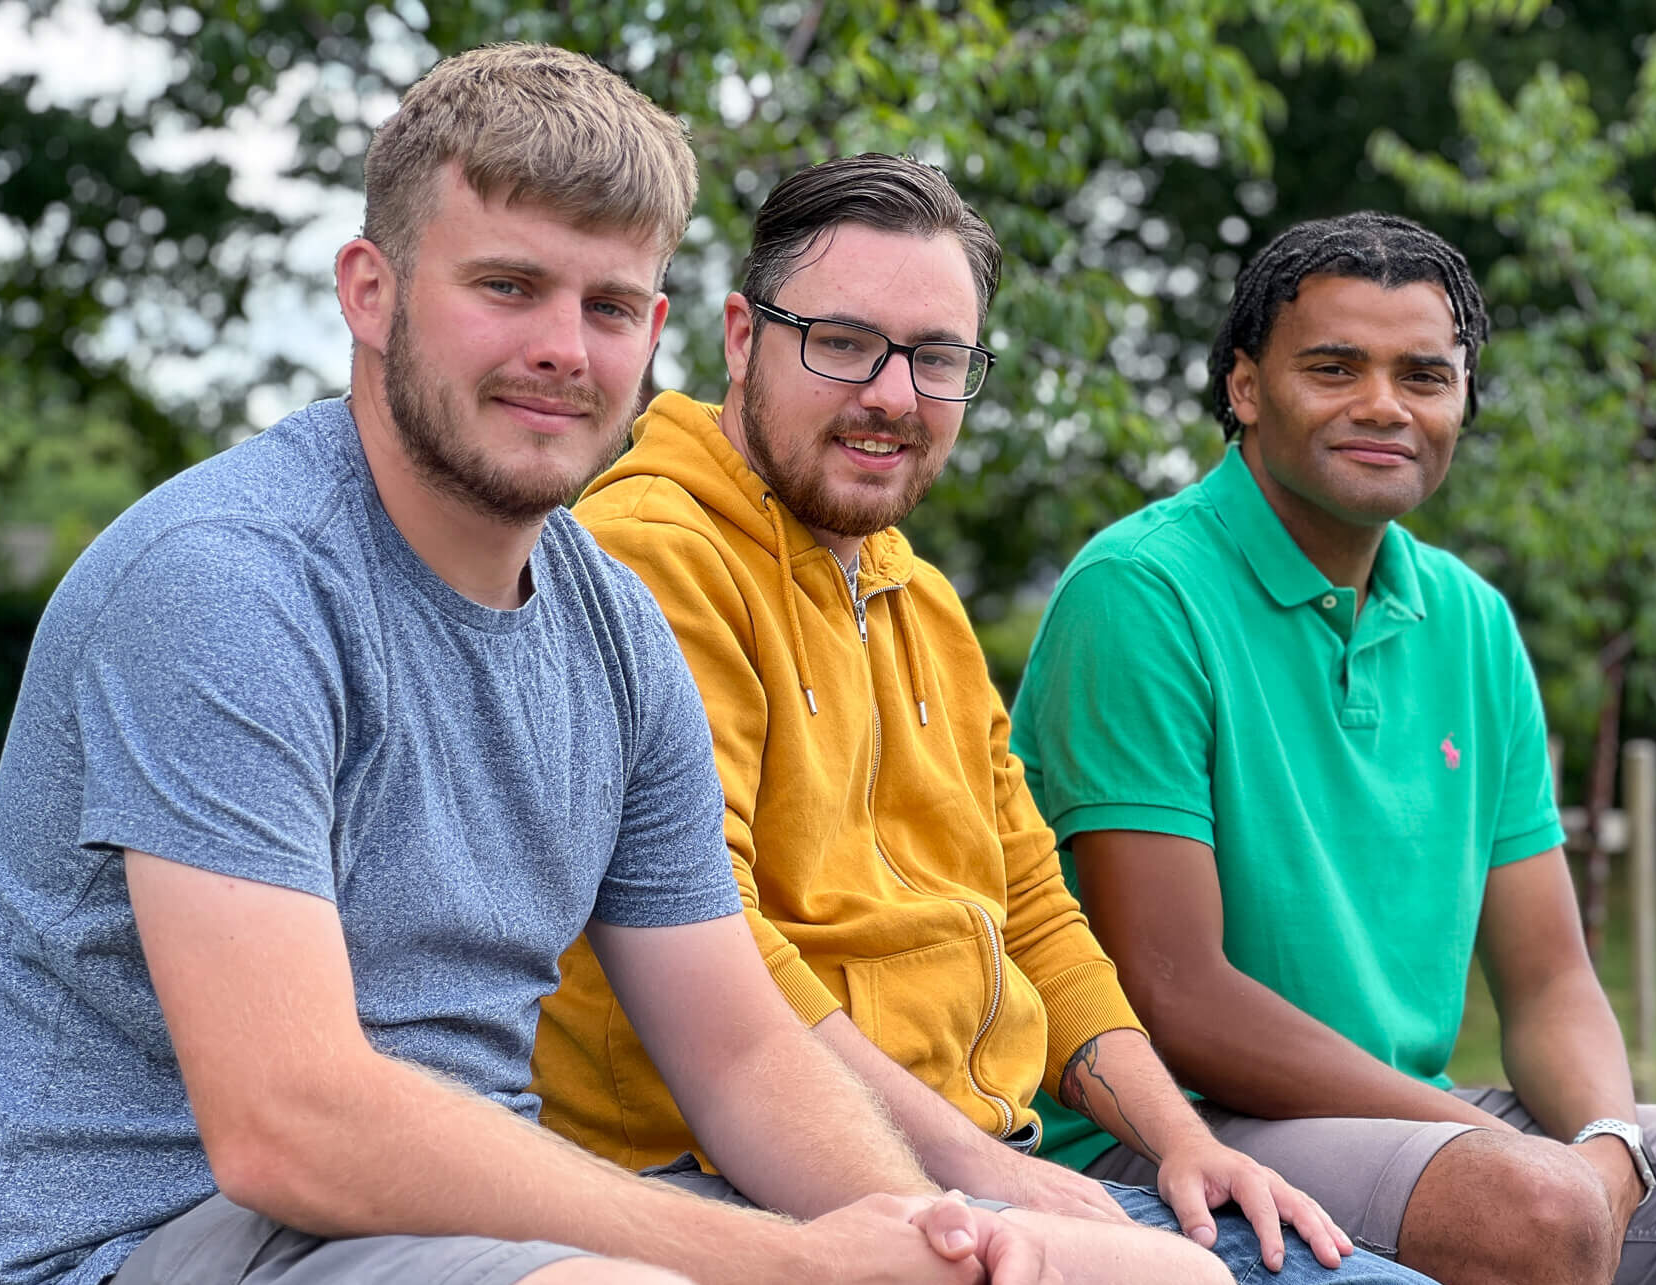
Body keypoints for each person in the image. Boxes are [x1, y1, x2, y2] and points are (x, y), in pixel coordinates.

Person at [0, 45, 1059, 1285]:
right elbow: (289, 1126)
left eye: (609, 306)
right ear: (370, 291)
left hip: (467, 1236)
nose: (564, 348)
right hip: (145, 1242)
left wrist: (930, 1240)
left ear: (655, 331)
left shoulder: (614, 634)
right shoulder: (230, 583)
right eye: (508, 286)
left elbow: (737, 1052)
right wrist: (786, 1266)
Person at [532, 155, 1434, 1285]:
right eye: (843, 342)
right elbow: (721, 948)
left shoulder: (919, 598)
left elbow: (1038, 918)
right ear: (739, 337)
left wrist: (1182, 1143)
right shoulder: (652, 559)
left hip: (980, 1161)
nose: (893, 396)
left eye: (937, 359)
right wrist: (974, 1167)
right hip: (742, 1185)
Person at [1008, 210, 1656, 1285]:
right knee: (1526, 1205)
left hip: (1416, 1120)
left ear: (1461, 401)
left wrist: (1605, 1143)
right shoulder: (1140, 592)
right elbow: (1174, 990)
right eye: (1333, 367)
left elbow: (1544, 982)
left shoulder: (1470, 621)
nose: (1382, 406)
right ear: (1245, 388)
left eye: (1422, 375)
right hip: (1172, 1134)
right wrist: (1484, 1139)